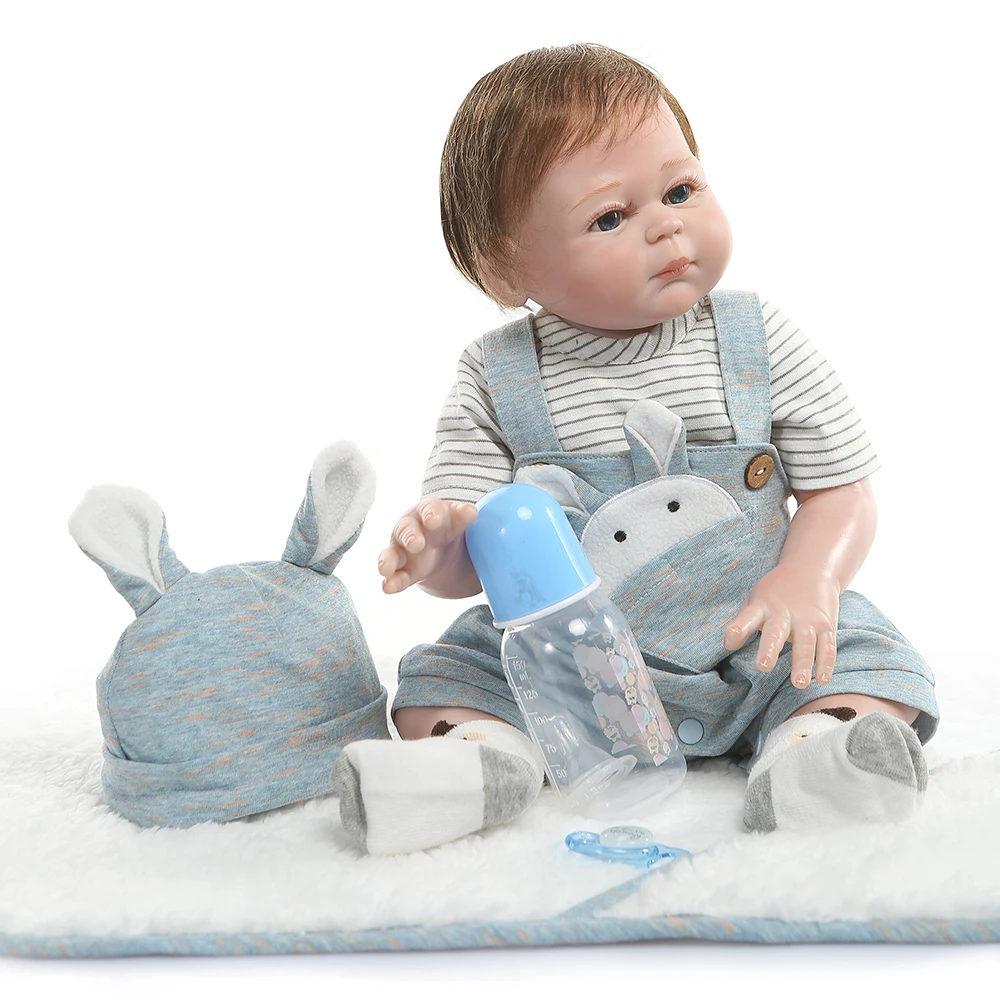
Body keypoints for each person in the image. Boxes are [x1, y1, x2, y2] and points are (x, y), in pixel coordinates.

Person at [331, 43, 938, 856]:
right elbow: (476, 552)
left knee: (859, 653)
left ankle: (814, 755)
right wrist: (439, 546)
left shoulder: (759, 341)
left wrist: (809, 577)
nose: (666, 224)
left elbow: (843, 491)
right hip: (571, 675)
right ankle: (481, 764)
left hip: (755, 637)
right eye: (610, 217)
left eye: (681, 190)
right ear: (505, 266)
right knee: (450, 674)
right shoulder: (497, 374)